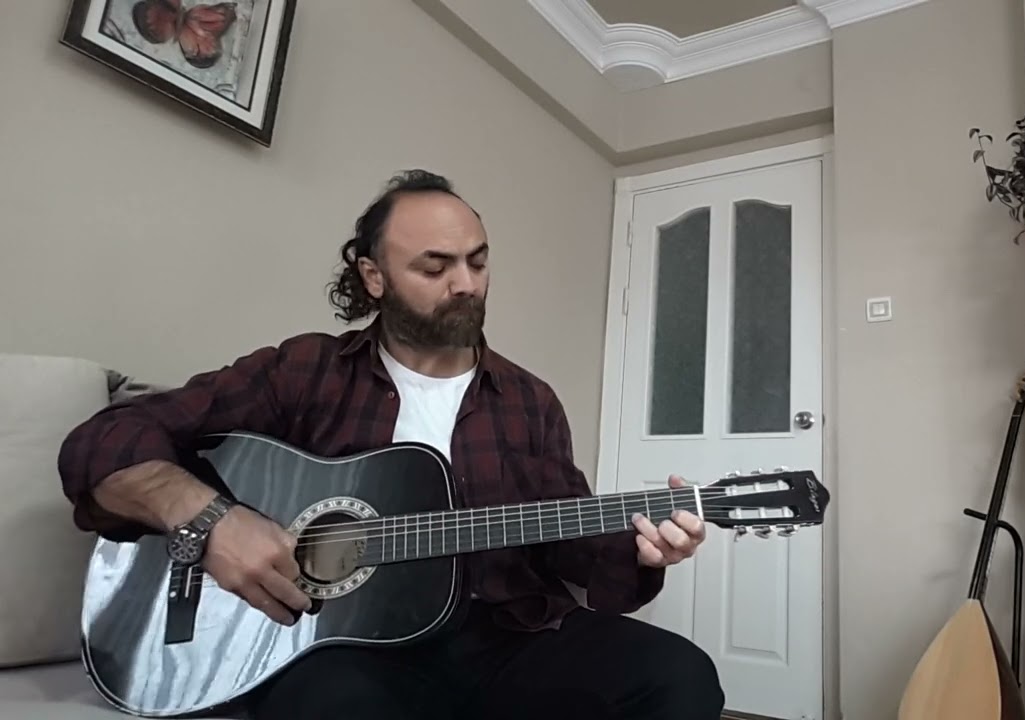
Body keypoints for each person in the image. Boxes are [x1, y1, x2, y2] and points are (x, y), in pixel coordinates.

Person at [57, 170, 725, 720]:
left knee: (680, 676)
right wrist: (213, 522)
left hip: (506, 639)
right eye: (436, 266)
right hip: (339, 646)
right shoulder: (305, 370)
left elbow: (572, 549)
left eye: (478, 261)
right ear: (375, 277)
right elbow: (102, 442)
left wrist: (643, 548)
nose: (466, 284)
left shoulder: (530, 400)